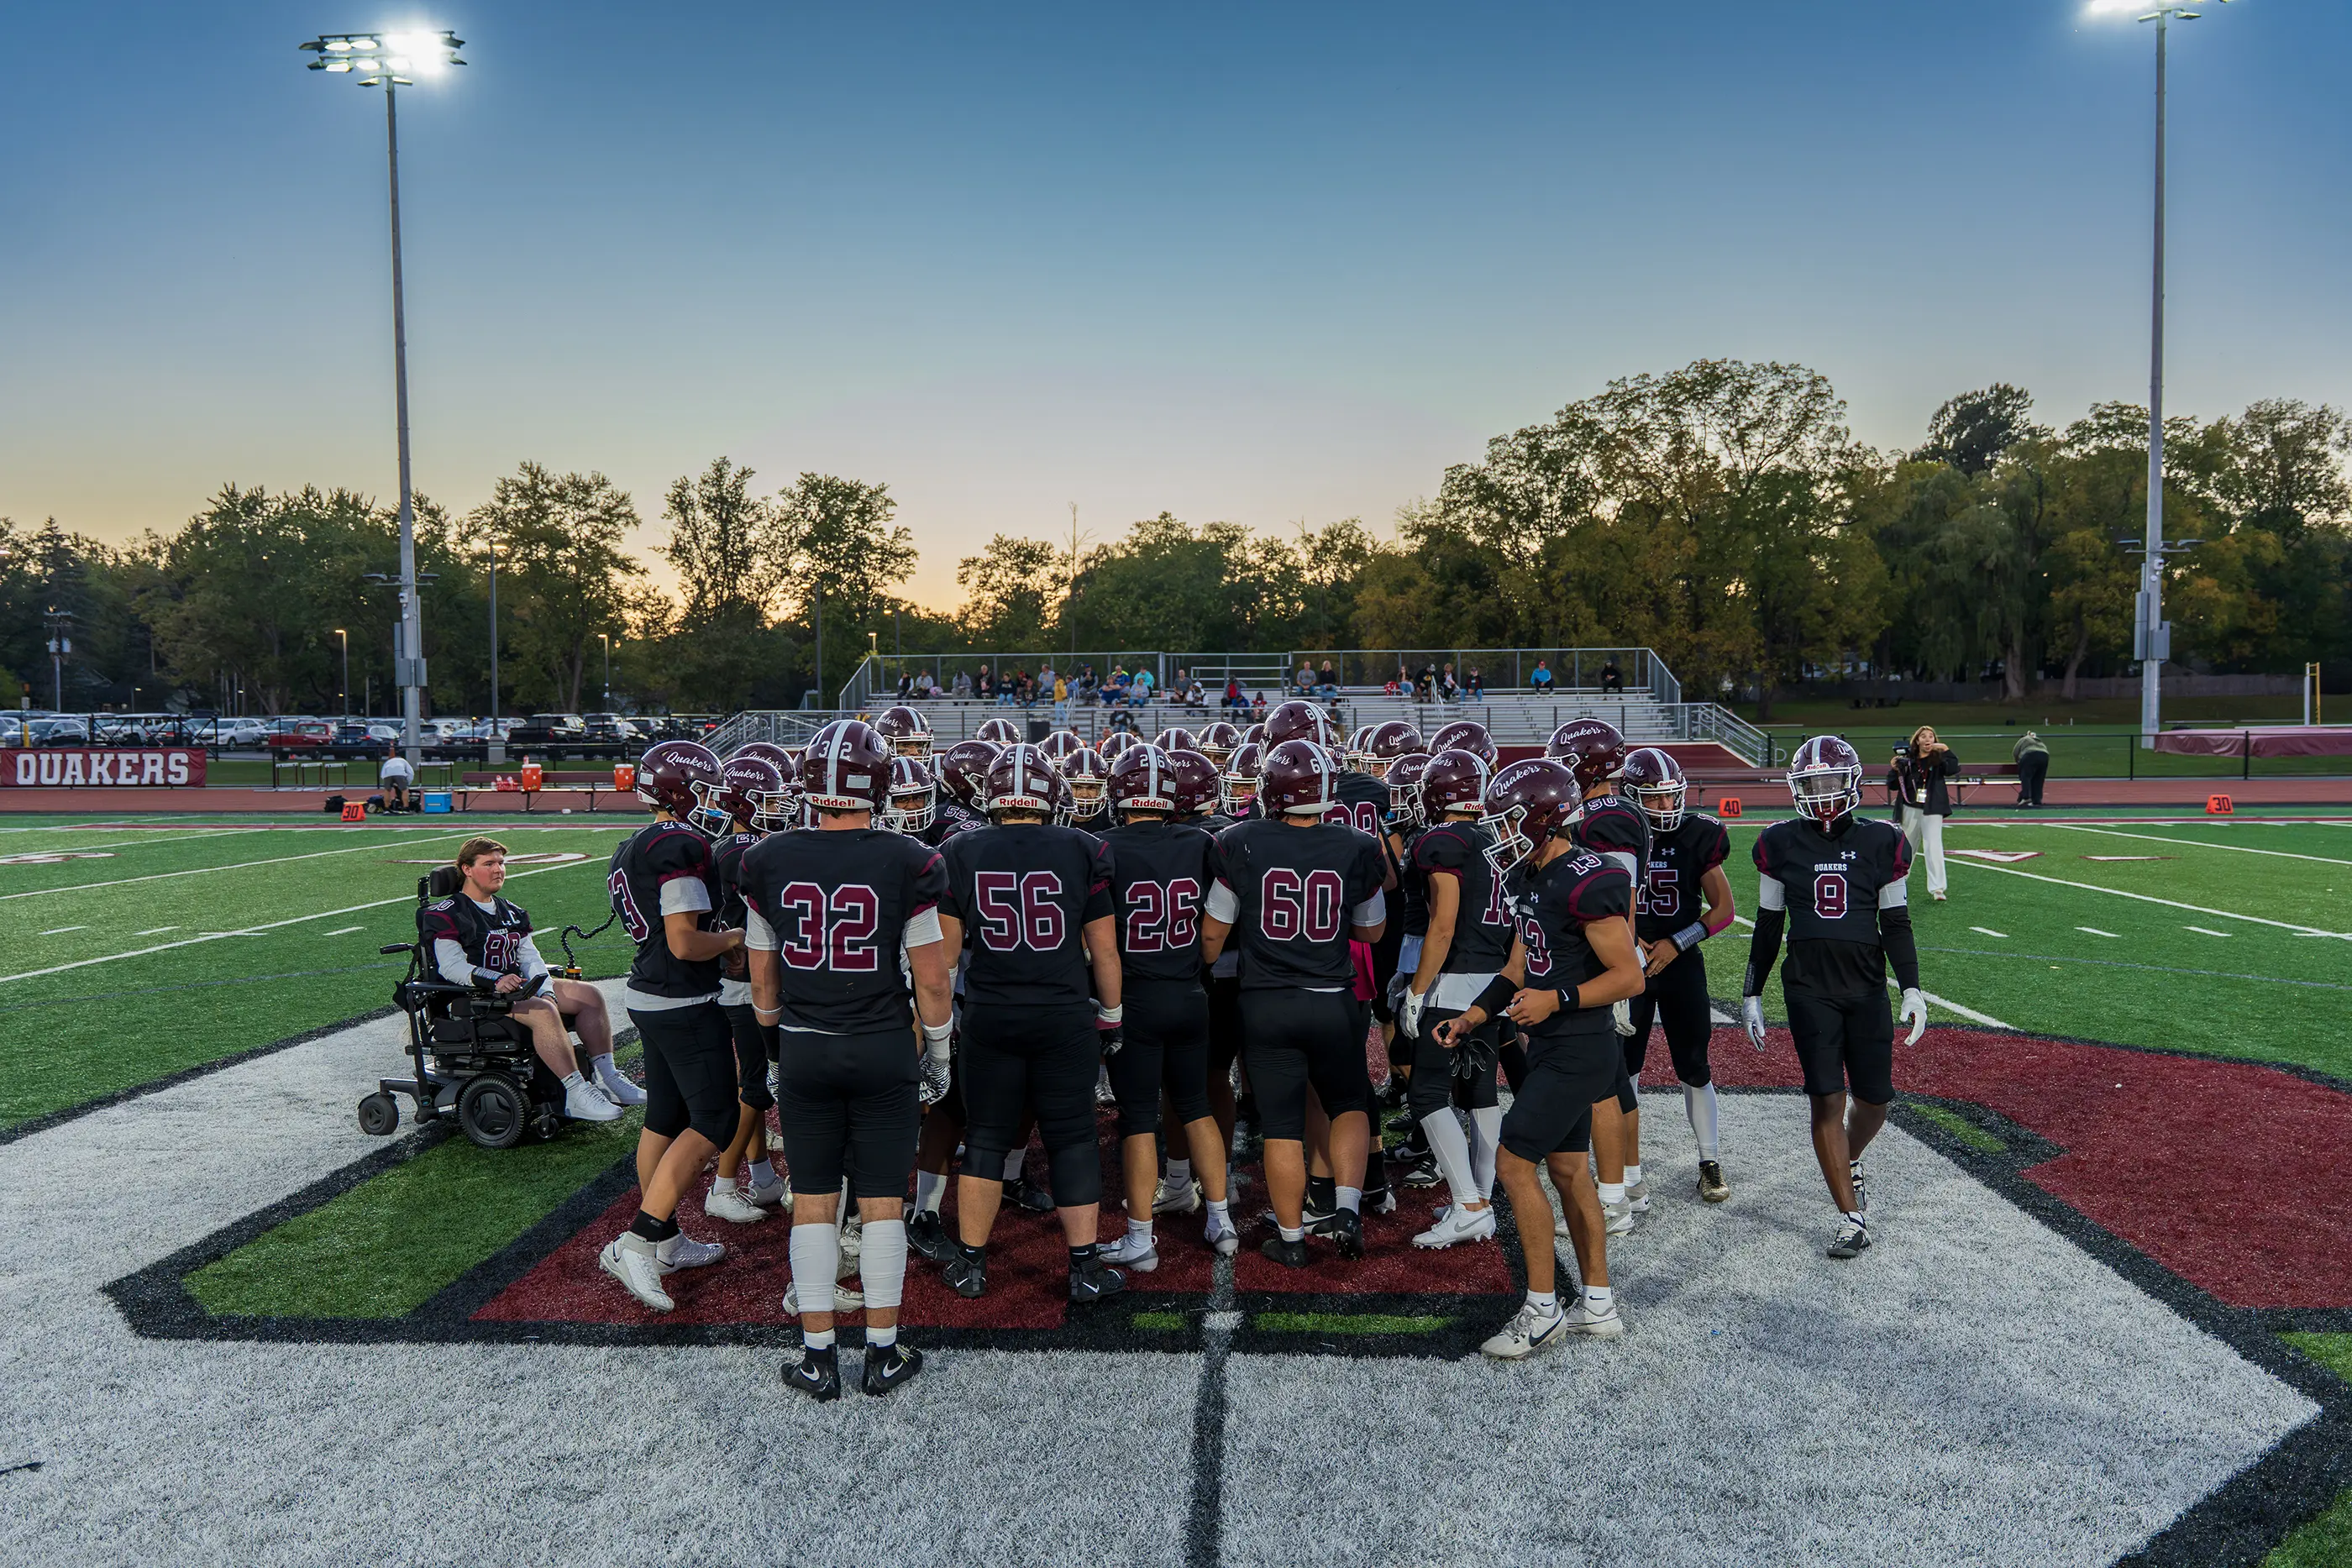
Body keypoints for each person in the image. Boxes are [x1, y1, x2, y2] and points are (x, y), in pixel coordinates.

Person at [740, 719, 955, 1399]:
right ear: (880, 785)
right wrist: (941, 1051)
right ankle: (884, 1353)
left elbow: (763, 983)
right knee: (884, 1202)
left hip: (806, 1045)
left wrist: (777, 1049)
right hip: (883, 1045)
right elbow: (932, 981)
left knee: (812, 1200)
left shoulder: (767, 858)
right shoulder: (909, 859)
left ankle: (817, 1356)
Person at [1441, 757, 1645, 1356]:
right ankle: (1599, 1303)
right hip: (1560, 1045)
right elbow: (1517, 965)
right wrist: (1473, 1016)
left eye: (1507, 821)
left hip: (1579, 1048)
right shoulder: (1530, 874)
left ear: (1543, 818)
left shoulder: (1586, 877)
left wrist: (1558, 999)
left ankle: (1542, 1306)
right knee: (1567, 1169)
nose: (1498, 834)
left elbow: (1629, 975)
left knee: (1511, 1164)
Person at [936, 745, 1129, 1304]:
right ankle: (1084, 1267)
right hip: (1063, 1014)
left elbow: (946, 959)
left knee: (986, 1140)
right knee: (1072, 1139)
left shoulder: (959, 850)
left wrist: (938, 1025)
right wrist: (1111, 1016)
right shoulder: (1084, 847)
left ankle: (972, 1264)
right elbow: (1105, 952)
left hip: (991, 1014)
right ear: (1052, 797)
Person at [1200, 740, 1389, 1266]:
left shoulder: (1238, 839)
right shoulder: (1357, 845)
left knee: (1281, 1125)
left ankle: (1291, 1239)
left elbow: (1214, 936)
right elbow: (1372, 932)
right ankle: (1348, 1208)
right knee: (1348, 1100)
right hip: (1332, 998)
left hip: (1266, 1002)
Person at [1742, 735, 1929, 1262]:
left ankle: (1850, 1157)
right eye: (1812, 783)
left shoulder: (1883, 841)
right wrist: (1752, 990)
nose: (1822, 792)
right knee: (1825, 1096)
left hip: (1866, 983)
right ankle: (1850, 1217)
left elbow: (1895, 922)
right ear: (1797, 788)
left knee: (1874, 1101)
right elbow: (1768, 923)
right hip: (1807, 987)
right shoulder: (1778, 842)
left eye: (1830, 782)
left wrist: (1911, 986)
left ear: (1851, 785)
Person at [597, 741, 746, 1313]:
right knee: (716, 1117)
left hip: (647, 993)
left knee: (665, 1117)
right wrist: (733, 939)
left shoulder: (632, 843)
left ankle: (663, 1241)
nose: (713, 801)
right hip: (682, 998)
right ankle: (638, 1237)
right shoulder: (682, 843)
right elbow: (686, 941)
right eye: (705, 788)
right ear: (683, 788)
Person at [1098, 745, 1241, 1267]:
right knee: (1197, 1105)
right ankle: (1221, 1220)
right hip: (1189, 993)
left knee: (1138, 1118)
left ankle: (1140, 1240)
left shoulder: (1101, 847)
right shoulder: (1202, 842)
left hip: (1133, 998)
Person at [423, 836, 635, 1123]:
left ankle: (608, 1077)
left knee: (590, 996)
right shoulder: (447, 912)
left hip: (512, 989)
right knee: (544, 1011)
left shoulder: (511, 910)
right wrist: (494, 980)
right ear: (467, 869)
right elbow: (451, 966)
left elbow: (530, 958)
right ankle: (575, 1093)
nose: (498, 870)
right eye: (489, 864)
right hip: (471, 996)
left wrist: (546, 989)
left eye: (501, 863)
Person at [1397, 747, 1512, 1249]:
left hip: (1455, 982)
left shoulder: (1441, 842)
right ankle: (1481, 1198)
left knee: (1426, 1095)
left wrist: (1417, 991)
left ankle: (1468, 1204)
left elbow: (1443, 925)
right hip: (1497, 981)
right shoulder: (1498, 839)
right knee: (1481, 1095)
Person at [1616, 749, 1739, 1202]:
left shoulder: (1697, 834)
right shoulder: (1614, 831)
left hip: (1679, 962)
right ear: (1630, 797)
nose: (1666, 808)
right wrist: (1626, 939)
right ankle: (1627, 1169)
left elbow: (1724, 910)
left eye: (1671, 798)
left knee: (1694, 1065)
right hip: (1627, 965)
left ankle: (1709, 1160)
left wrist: (1677, 942)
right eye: (1654, 799)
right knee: (1624, 1068)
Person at [700, 757, 793, 1227]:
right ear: (743, 803)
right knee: (757, 1088)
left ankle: (761, 1177)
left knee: (753, 1085)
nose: (783, 806)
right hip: (746, 984)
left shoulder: (734, 846)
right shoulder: (745, 851)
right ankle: (723, 1184)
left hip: (737, 979)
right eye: (772, 799)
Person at [1888, 726, 1958, 900]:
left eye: (1931, 736)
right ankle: (1900, 879)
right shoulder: (1908, 761)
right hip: (1910, 807)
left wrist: (1946, 749)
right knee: (1906, 845)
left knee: (1933, 846)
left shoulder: (1939, 760)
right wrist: (1894, 769)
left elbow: (1953, 769)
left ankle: (1938, 889)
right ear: (1917, 741)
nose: (1928, 739)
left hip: (1933, 808)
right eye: (1924, 736)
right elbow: (1893, 785)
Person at [2013, 730, 2050, 809]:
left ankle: (2026, 797)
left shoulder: (2024, 739)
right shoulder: (2039, 742)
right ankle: (2037, 800)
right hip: (2044, 756)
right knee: (2039, 779)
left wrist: (2018, 762)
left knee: (2026, 776)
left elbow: (2016, 751)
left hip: (2030, 755)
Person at [379, 744, 415, 811]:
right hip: (400, 773)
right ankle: (406, 807)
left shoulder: (388, 762)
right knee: (404, 790)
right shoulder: (403, 761)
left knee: (387, 790)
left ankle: (386, 807)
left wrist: (386, 781)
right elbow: (410, 772)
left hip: (387, 774)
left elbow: (383, 773)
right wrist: (408, 783)